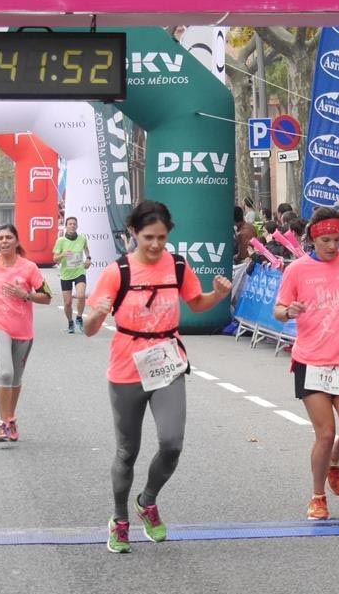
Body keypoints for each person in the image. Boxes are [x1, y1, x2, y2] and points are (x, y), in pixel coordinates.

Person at [83, 200, 233, 554]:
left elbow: (196, 303)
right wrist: (96, 314)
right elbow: (89, 328)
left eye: (162, 238)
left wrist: (218, 294)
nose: (154, 245)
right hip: (126, 364)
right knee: (127, 451)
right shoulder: (117, 271)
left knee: (172, 443)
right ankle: (120, 520)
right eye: (148, 237)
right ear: (133, 233)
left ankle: (147, 500)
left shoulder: (178, 265)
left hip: (167, 359)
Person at [274, 208, 339, 520]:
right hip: (310, 360)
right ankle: (318, 496)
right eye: (326, 240)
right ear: (314, 239)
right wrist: (290, 312)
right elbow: (279, 309)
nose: (332, 246)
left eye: (337, 239)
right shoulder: (297, 270)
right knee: (325, 433)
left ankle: (334, 461)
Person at [0, 225, 52, 443]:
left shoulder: (29, 268)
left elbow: (47, 297)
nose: (4, 241)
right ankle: (3, 422)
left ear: (17, 241)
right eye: (0, 238)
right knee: (5, 372)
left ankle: (10, 419)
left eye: (9, 237)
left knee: (15, 377)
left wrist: (25, 295)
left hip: (23, 329)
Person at [52, 216, 91, 333]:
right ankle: (70, 322)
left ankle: (79, 317)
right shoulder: (61, 241)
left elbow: (86, 249)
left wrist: (88, 259)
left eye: (74, 224)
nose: (72, 226)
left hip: (79, 271)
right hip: (66, 275)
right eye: (70, 224)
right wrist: (63, 254)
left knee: (80, 295)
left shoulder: (82, 238)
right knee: (68, 302)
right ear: (66, 226)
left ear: (77, 226)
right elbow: (55, 259)